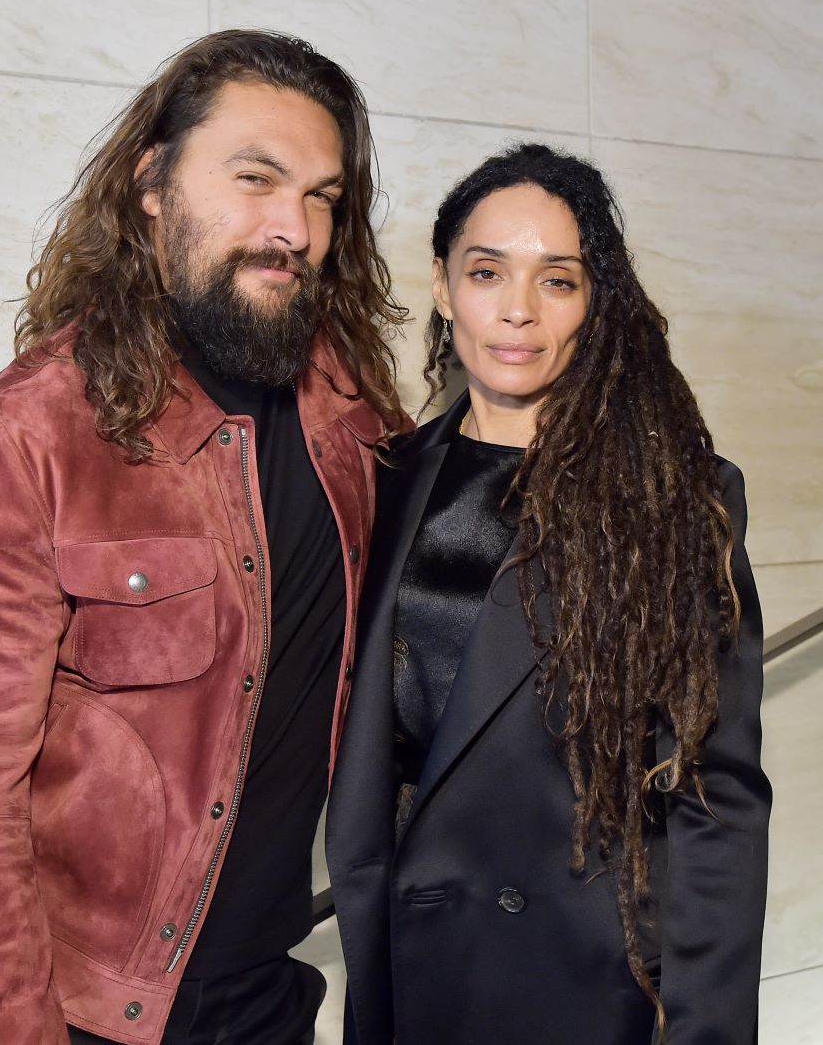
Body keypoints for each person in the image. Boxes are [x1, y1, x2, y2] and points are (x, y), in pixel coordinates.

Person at [0, 29, 408, 1045]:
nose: (291, 226)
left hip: (260, 1002)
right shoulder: (25, 437)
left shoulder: (356, 427)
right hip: (53, 1007)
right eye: (255, 178)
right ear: (153, 183)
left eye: (324, 197)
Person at [325, 143, 770, 1044]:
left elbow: (715, 791)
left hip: (584, 975)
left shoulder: (672, 498)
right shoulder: (383, 480)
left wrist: (707, 1027)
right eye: (487, 272)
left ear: (594, 301)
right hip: (406, 964)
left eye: (557, 280)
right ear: (446, 288)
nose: (517, 310)